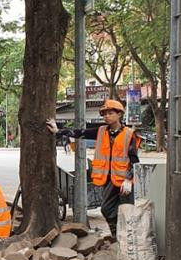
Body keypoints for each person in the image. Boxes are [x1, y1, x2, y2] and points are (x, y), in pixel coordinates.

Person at [46, 99, 140, 237]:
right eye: (104, 114)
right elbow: (80, 133)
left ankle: (128, 240)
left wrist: (128, 179)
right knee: (107, 209)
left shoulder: (129, 134)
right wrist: (58, 131)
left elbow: (134, 159)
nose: (106, 116)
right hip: (108, 180)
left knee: (127, 212)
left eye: (110, 113)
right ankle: (117, 235)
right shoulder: (101, 131)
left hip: (124, 182)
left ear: (119, 114)